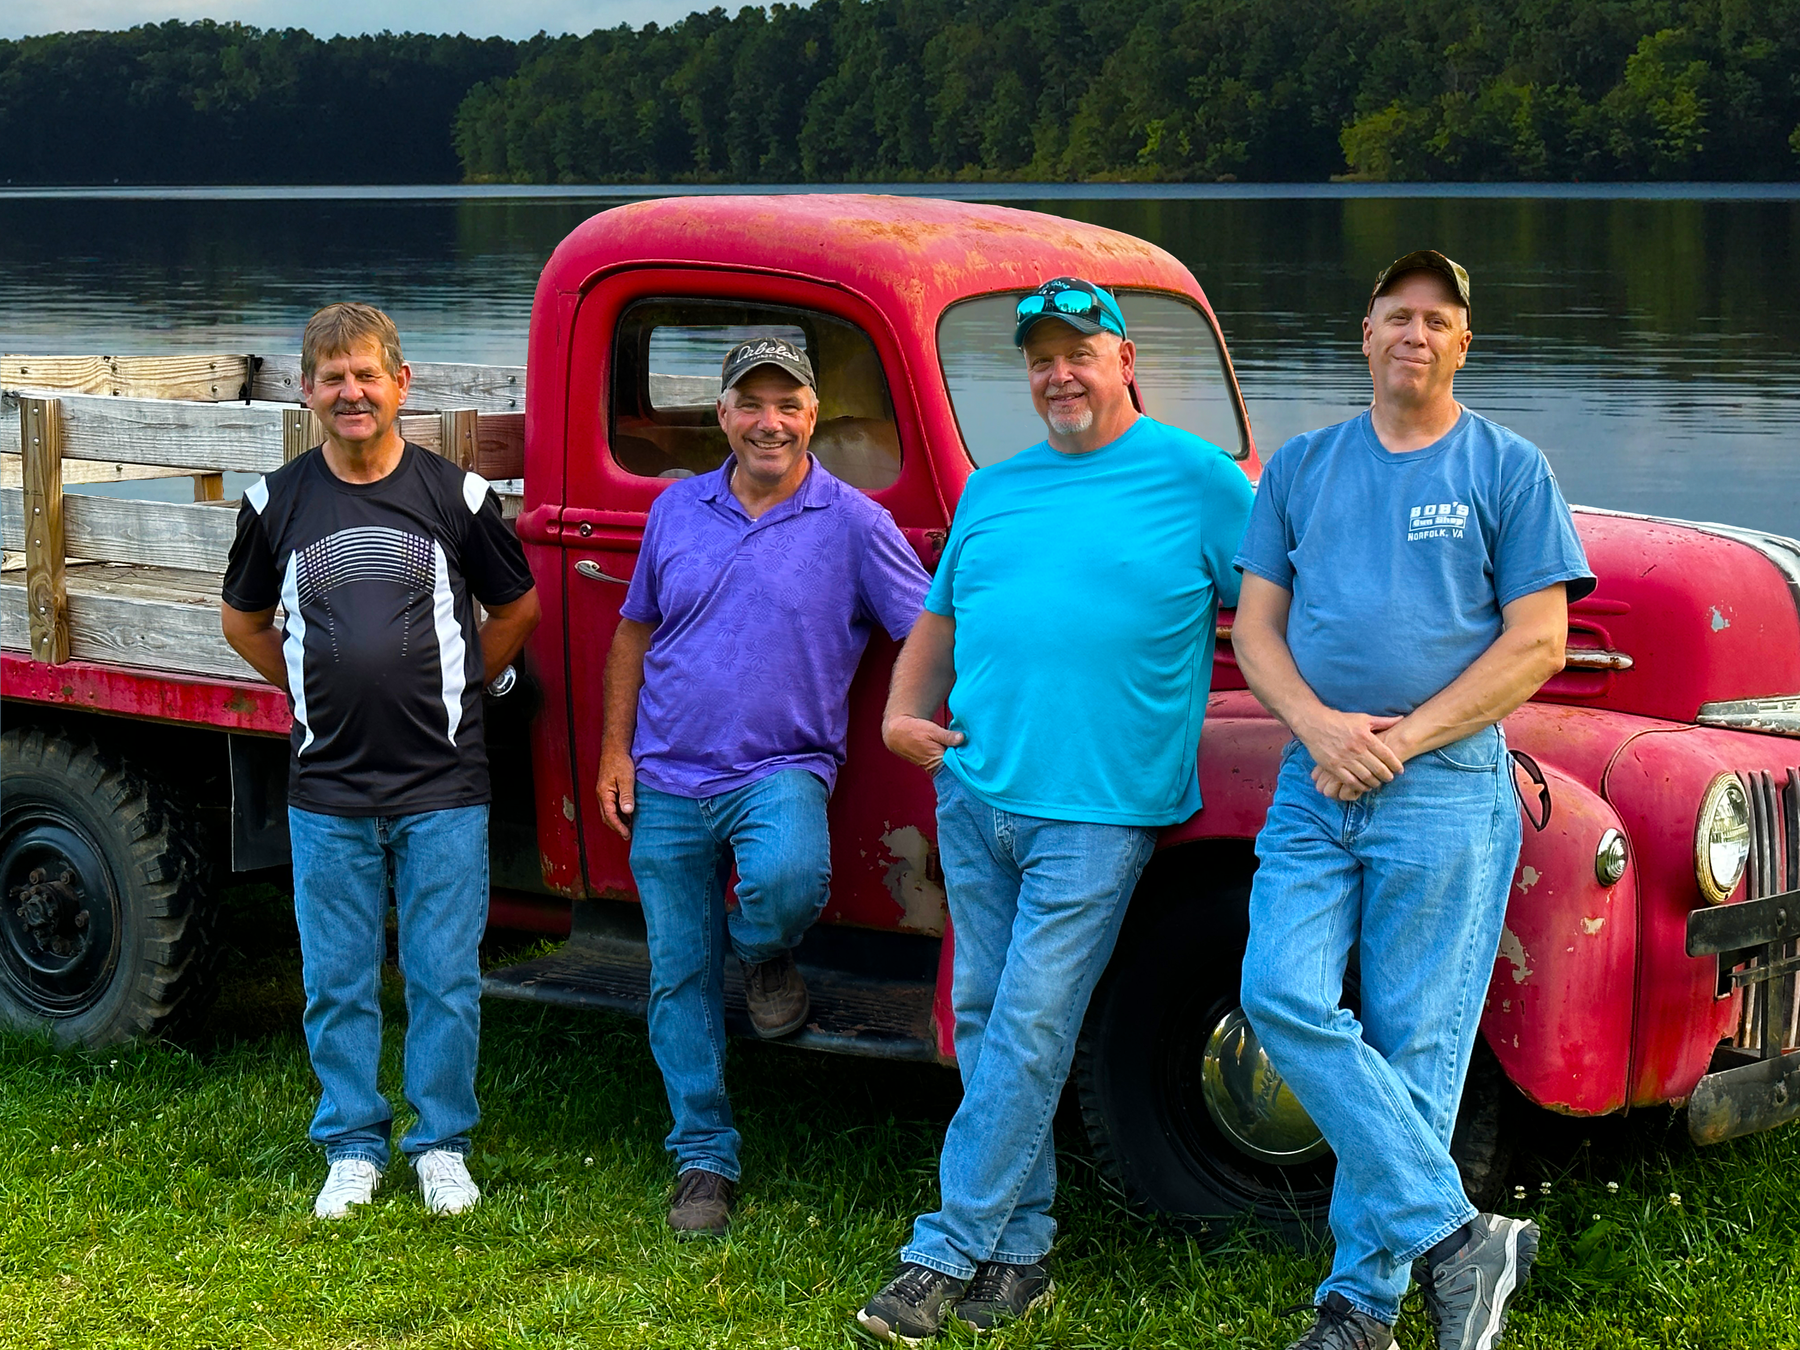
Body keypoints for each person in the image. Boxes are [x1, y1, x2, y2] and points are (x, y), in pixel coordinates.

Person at [860, 277, 1255, 1342]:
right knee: (987, 1017)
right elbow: (941, 620)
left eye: (1080, 352)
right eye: (1041, 359)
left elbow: (1275, 612)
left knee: (1032, 1025)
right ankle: (1021, 1248)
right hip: (977, 791)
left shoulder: (1199, 480)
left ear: (1126, 361)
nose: (1060, 374)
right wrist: (901, 713)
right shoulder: (995, 488)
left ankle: (942, 1251)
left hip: (1100, 812)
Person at [1231, 252, 1595, 1350]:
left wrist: (1398, 741)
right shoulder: (1303, 467)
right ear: (1366, 333)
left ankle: (1360, 1308)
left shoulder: (1509, 468)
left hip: (1441, 786)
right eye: (1398, 315)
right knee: (1280, 994)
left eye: (1438, 320)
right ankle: (1458, 1237)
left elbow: (1539, 643)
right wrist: (1320, 730)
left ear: (1462, 345)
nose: (1415, 334)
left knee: (1416, 1049)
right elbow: (1257, 629)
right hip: (1315, 781)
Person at [595, 336, 930, 1238]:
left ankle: (761, 950)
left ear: (813, 414)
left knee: (786, 885)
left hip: (780, 768)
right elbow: (633, 632)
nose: (768, 422)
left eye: (787, 404)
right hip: (666, 773)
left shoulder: (855, 522)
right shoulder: (676, 508)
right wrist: (616, 751)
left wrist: (927, 717)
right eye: (750, 403)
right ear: (723, 415)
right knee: (677, 976)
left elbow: (927, 629)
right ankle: (703, 1157)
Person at [220, 302, 540, 1220]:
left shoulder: (457, 497)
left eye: (367, 375)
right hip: (328, 788)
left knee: (445, 977)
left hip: (444, 784)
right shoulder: (275, 503)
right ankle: (352, 1144)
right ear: (307, 391)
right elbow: (243, 621)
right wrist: (308, 683)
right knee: (336, 980)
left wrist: (460, 689)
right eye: (333, 378)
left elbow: (516, 609)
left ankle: (441, 1143)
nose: (351, 393)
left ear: (402, 384)